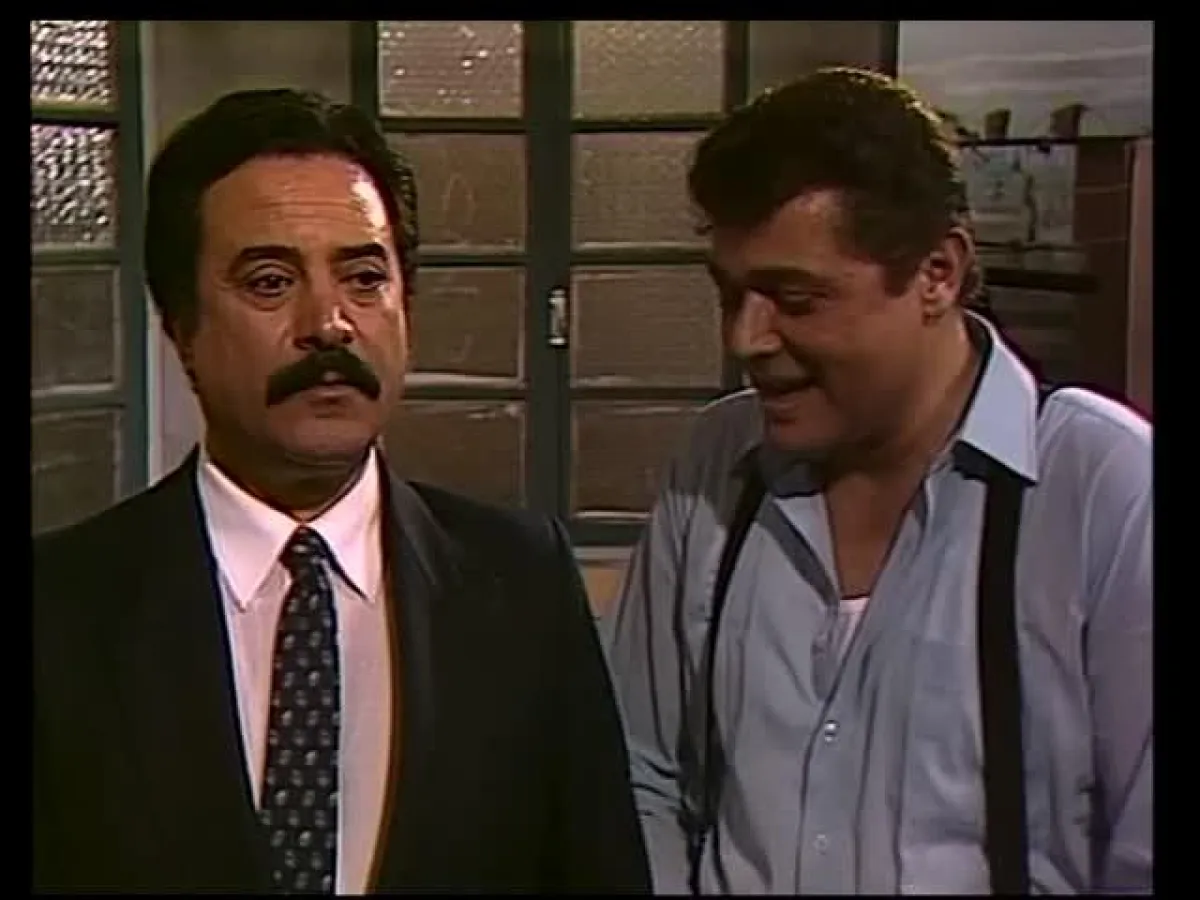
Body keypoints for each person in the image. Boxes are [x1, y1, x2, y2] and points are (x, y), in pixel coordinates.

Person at [33, 88, 650, 895]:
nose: (328, 323)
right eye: (269, 282)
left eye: (364, 278)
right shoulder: (62, 609)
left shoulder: (522, 584)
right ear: (180, 326)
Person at [604, 68, 1151, 894]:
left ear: (937, 273)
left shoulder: (1104, 490)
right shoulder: (715, 463)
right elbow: (643, 770)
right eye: (730, 294)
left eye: (796, 299)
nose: (747, 339)